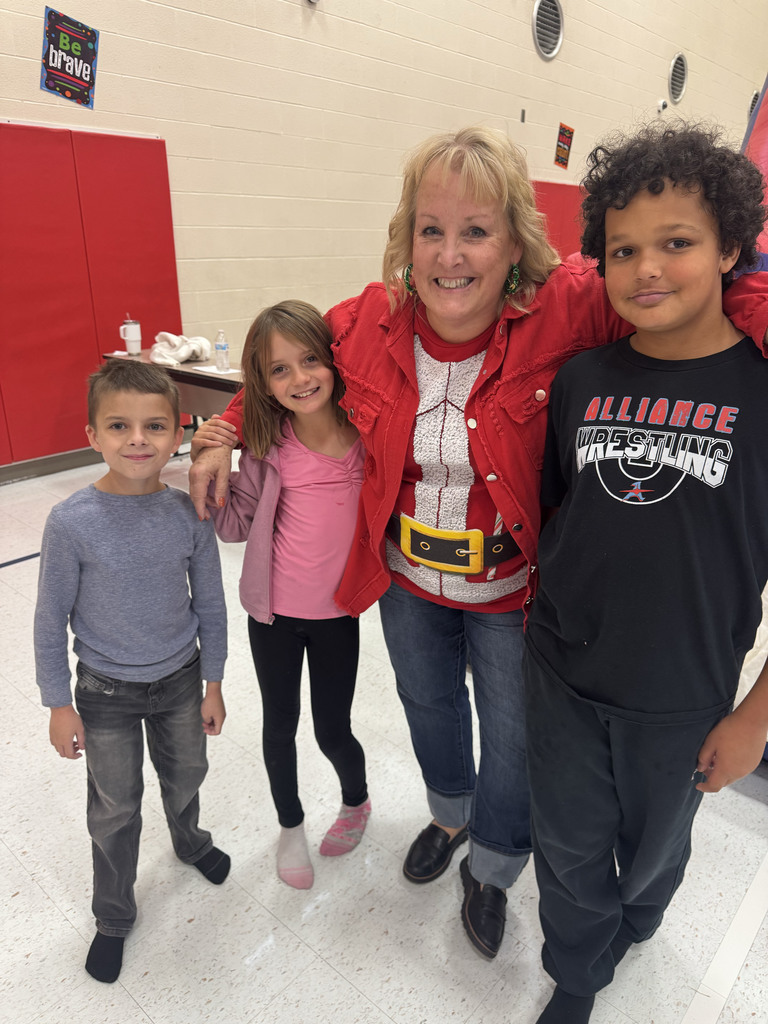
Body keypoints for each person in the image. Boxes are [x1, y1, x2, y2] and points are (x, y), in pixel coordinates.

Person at [188, 126, 768, 959]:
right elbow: (284, 366)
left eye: (477, 229)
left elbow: (707, 290)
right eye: (432, 229)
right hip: (405, 579)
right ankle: (448, 816)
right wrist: (221, 430)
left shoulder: (573, 302)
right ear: (408, 240)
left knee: (513, 732)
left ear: (515, 242)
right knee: (428, 708)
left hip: (515, 589)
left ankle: (493, 866)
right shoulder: (371, 321)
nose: (451, 254)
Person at [523, 123, 768, 1024]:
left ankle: (642, 914)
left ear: (730, 248)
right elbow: (562, 515)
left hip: (685, 689)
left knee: (654, 842)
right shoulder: (582, 378)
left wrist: (753, 718)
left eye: (677, 243)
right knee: (571, 843)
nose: (647, 269)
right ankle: (578, 972)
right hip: (561, 670)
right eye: (623, 250)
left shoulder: (762, 390)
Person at [34, 359, 229, 985]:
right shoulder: (71, 522)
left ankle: (190, 841)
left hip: (180, 679)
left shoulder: (188, 511)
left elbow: (212, 603)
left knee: (187, 771)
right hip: (104, 691)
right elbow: (48, 619)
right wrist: (58, 703)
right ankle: (114, 914)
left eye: (154, 426)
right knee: (115, 806)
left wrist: (215, 682)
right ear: (92, 436)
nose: (137, 439)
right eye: (119, 426)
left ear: (179, 433)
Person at [206, 299, 370, 890]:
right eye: (279, 370)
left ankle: (357, 802)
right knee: (280, 726)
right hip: (271, 613)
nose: (299, 379)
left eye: (309, 361)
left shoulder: (367, 440)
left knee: (332, 728)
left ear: (333, 361)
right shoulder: (267, 448)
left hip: (336, 616)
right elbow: (233, 525)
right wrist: (209, 467)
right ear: (263, 384)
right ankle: (290, 824)